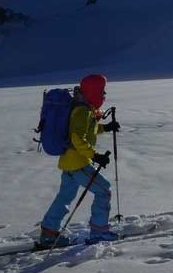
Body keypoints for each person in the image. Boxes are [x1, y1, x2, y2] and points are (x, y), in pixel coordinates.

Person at [39, 73, 121, 246]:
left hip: (69, 163)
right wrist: (95, 156)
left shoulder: (83, 108)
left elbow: (87, 131)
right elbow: (77, 138)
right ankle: (99, 231)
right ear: (93, 92)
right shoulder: (82, 111)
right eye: (102, 91)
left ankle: (49, 233)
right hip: (79, 163)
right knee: (104, 191)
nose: (104, 95)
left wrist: (105, 127)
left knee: (65, 196)